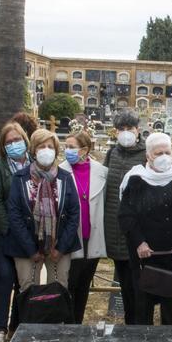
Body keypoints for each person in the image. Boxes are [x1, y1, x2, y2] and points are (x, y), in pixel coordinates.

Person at [119, 133, 172, 325]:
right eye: (158, 153)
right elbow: (126, 216)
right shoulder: (136, 179)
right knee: (143, 307)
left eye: (167, 152)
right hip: (145, 256)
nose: (164, 156)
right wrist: (139, 242)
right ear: (148, 156)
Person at [7, 128, 80, 297]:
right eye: (41, 146)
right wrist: (31, 249)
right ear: (33, 150)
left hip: (59, 246)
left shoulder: (65, 178)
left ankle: (55, 324)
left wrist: (60, 248)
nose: (46, 150)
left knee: (58, 291)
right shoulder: (20, 178)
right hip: (27, 247)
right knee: (28, 291)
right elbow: (15, 215)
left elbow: (73, 214)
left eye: (50, 146)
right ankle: (29, 323)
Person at [0, 122, 30, 342]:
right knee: (4, 277)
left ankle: (17, 326)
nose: (14, 144)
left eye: (17, 140)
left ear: (25, 139)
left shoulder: (34, 164)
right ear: (3, 145)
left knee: (24, 282)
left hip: (27, 235)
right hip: (3, 233)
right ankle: (0, 329)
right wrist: (10, 228)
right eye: (9, 142)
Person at [103, 110, 148, 323]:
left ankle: (140, 324)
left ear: (138, 130)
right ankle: (130, 324)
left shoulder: (147, 154)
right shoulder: (112, 154)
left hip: (139, 232)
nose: (126, 133)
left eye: (130, 129)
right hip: (114, 229)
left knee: (139, 284)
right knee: (124, 284)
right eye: (121, 129)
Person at [61, 130, 108, 324]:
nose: (67, 151)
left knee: (84, 286)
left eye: (72, 147)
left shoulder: (101, 172)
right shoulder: (61, 171)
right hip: (72, 239)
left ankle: (77, 323)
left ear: (85, 149)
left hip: (93, 237)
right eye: (66, 147)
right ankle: (68, 323)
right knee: (69, 284)